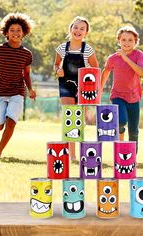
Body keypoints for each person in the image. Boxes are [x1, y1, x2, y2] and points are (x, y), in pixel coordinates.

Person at [0, 13, 36, 158]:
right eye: (12, 30)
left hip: (17, 91)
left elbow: (26, 74)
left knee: (11, 123)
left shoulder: (27, 54)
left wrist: (30, 89)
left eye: (19, 30)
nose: (15, 33)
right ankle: (5, 116)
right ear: (6, 32)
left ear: (24, 32)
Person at [54, 16, 98, 161]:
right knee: (70, 118)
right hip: (65, 85)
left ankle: (78, 151)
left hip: (83, 88)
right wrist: (57, 70)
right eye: (76, 27)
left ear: (86, 32)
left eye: (82, 29)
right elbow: (56, 64)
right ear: (71, 29)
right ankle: (71, 155)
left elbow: (96, 69)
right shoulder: (62, 48)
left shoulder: (88, 49)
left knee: (79, 120)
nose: (78, 31)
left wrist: (89, 87)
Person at [101, 26, 143, 152]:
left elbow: (142, 73)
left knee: (133, 131)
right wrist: (99, 90)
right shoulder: (113, 58)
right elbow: (105, 72)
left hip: (134, 97)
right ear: (119, 41)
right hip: (117, 95)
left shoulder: (139, 55)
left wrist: (126, 58)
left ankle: (132, 157)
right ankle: (120, 145)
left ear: (135, 41)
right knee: (121, 121)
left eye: (130, 40)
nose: (127, 43)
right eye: (124, 40)